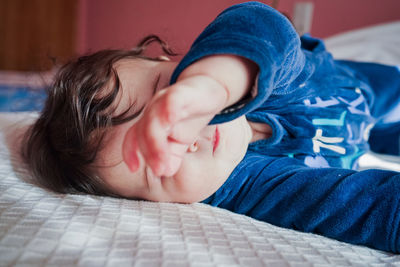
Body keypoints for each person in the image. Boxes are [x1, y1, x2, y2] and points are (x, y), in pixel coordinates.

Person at [22, 2, 400, 253]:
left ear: (173, 61)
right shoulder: (247, 187)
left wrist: (213, 82)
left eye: (165, 94)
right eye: (158, 162)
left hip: (355, 86)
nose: (186, 136)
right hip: (356, 143)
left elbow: (261, 25)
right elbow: (362, 206)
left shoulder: (262, 77)